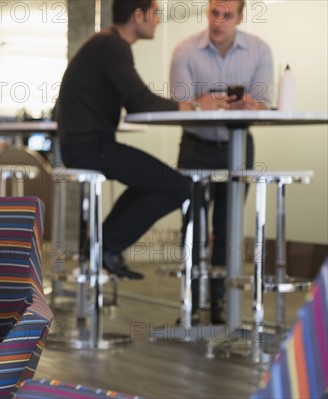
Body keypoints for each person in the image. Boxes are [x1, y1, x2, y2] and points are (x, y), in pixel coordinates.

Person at [56, 0, 223, 280]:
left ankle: (103, 247)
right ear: (137, 15)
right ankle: (103, 247)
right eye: (155, 14)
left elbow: (136, 103)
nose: (158, 21)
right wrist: (196, 105)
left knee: (162, 182)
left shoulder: (106, 44)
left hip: (89, 146)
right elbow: (142, 102)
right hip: (91, 149)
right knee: (179, 186)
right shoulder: (111, 46)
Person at [170, 0, 273, 324]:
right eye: (215, 11)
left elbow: (263, 104)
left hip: (237, 145)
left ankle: (220, 305)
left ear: (240, 17)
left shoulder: (259, 51)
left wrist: (248, 105)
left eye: (227, 14)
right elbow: (177, 104)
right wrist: (201, 103)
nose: (219, 20)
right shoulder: (185, 51)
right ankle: (190, 305)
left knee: (228, 228)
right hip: (195, 146)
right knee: (193, 226)